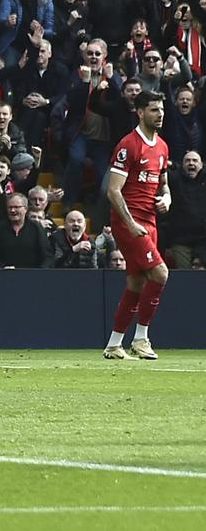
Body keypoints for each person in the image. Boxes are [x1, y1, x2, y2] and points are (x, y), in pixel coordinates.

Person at [102, 90, 171, 360]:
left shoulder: (163, 147)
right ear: (140, 112)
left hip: (150, 221)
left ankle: (114, 344)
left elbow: (164, 185)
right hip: (128, 221)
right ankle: (141, 338)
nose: (160, 114)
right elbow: (113, 191)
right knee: (161, 273)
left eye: (162, 109)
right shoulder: (128, 145)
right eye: (154, 109)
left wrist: (166, 198)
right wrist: (129, 224)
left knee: (137, 283)